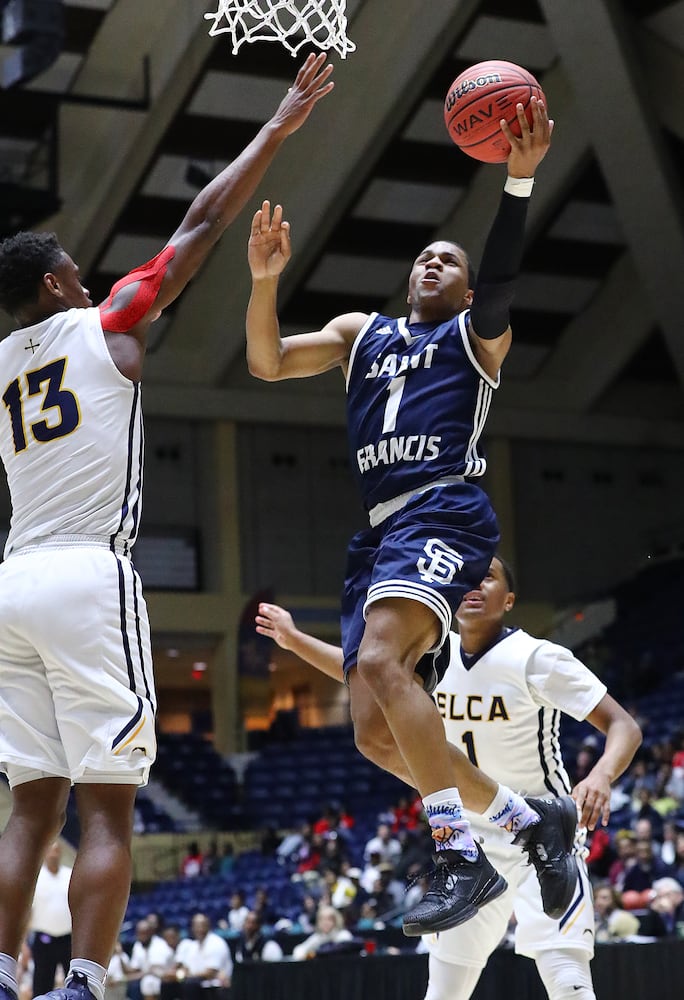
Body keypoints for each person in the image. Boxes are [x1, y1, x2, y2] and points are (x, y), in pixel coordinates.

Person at [0, 52, 334, 1000]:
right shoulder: (107, 323)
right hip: (83, 574)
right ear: (62, 288)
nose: (89, 275)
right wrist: (278, 127)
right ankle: (87, 984)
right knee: (108, 808)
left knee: (29, 809)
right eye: (77, 269)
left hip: (11, 579)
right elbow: (199, 226)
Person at [246, 96, 578, 937]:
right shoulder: (363, 334)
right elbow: (266, 361)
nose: (433, 263)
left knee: (389, 665)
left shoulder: (477, 339)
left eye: (449, 260)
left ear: (467, 288)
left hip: (444, 509)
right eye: (425, 257)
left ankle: (458, 853)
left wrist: (518, 182)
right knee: (370, 728)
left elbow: (504, 276)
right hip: (381, 533)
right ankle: (528, 821)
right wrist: (264, 282)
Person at [254, 553, 643, 1000]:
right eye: (468, 579)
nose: (475, 585)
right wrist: (294, 638)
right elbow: (362, 672)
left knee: (567, 981)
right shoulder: (433, 653)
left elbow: (624, 726)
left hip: (544, 832)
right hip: (469, 840)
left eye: (489, 579)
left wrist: (600, 775)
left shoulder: (537, 656)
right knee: (443, 992)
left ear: (510, 600)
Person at [29, 842, 72, 997]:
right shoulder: (36, 878)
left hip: (68, 939)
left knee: (75, 982)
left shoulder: (70, 875)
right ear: (45, 853)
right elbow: (28, 911)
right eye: (50, 851)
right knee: (42, 983)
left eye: (56, 851)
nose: (53, 855)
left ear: (60, 853)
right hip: (44, 939)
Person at [173, 914, 232, 1000]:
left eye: (202, 925)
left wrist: (188, 975)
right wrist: (183, 974)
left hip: (216, 984)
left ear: (208, 926)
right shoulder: (193, 945)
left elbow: (210, 973)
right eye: (196, 926)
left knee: (190, 983)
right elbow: (185, 967)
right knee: (171, 983)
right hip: (197, 982)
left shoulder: (216, 942)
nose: (199, 929)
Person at [127, 919, 175, 1000]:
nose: (142, 936)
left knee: (149, 981)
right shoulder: (137, 945)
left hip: (165, 978)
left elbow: (155, 970)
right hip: (144, 976)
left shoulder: (160, 945)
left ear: (151, 932)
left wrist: (139, 975)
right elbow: (134, 969)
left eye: (144, 933)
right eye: (139, 933)